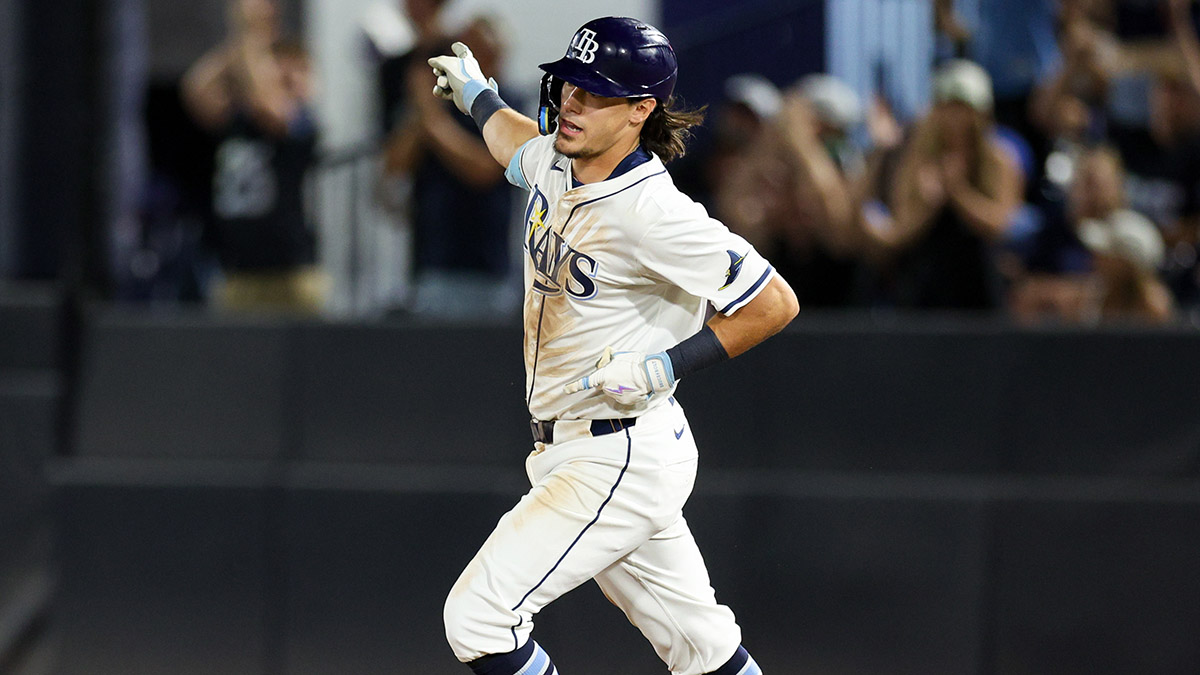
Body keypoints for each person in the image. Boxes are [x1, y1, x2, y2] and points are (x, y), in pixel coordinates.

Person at [427, 16, 798, 675]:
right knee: (702, 648)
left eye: (595, 94)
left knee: (479, 616)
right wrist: (478, 96)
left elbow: (774, 301)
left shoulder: (653, 213)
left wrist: (666, 365)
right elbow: (514, 144)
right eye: (570, 86)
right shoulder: (557, 160)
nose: (572, 103)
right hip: (583, 445)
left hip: (618, 449)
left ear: (640, 110)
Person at [181, 0, 326, 314]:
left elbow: (268, 107)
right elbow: (196, 89)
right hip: (237, 270)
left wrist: (252, 35)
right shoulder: (240, 121)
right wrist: (238, 43)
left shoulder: (301, 124)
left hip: (289, 273)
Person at [380, 13, 519, 318]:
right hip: (433, 263)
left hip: (487, 269)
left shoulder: (508, 105)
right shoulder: (440, 105)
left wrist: (432, 120)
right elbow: (394, 167)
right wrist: (421, 110)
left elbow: (485, 170)